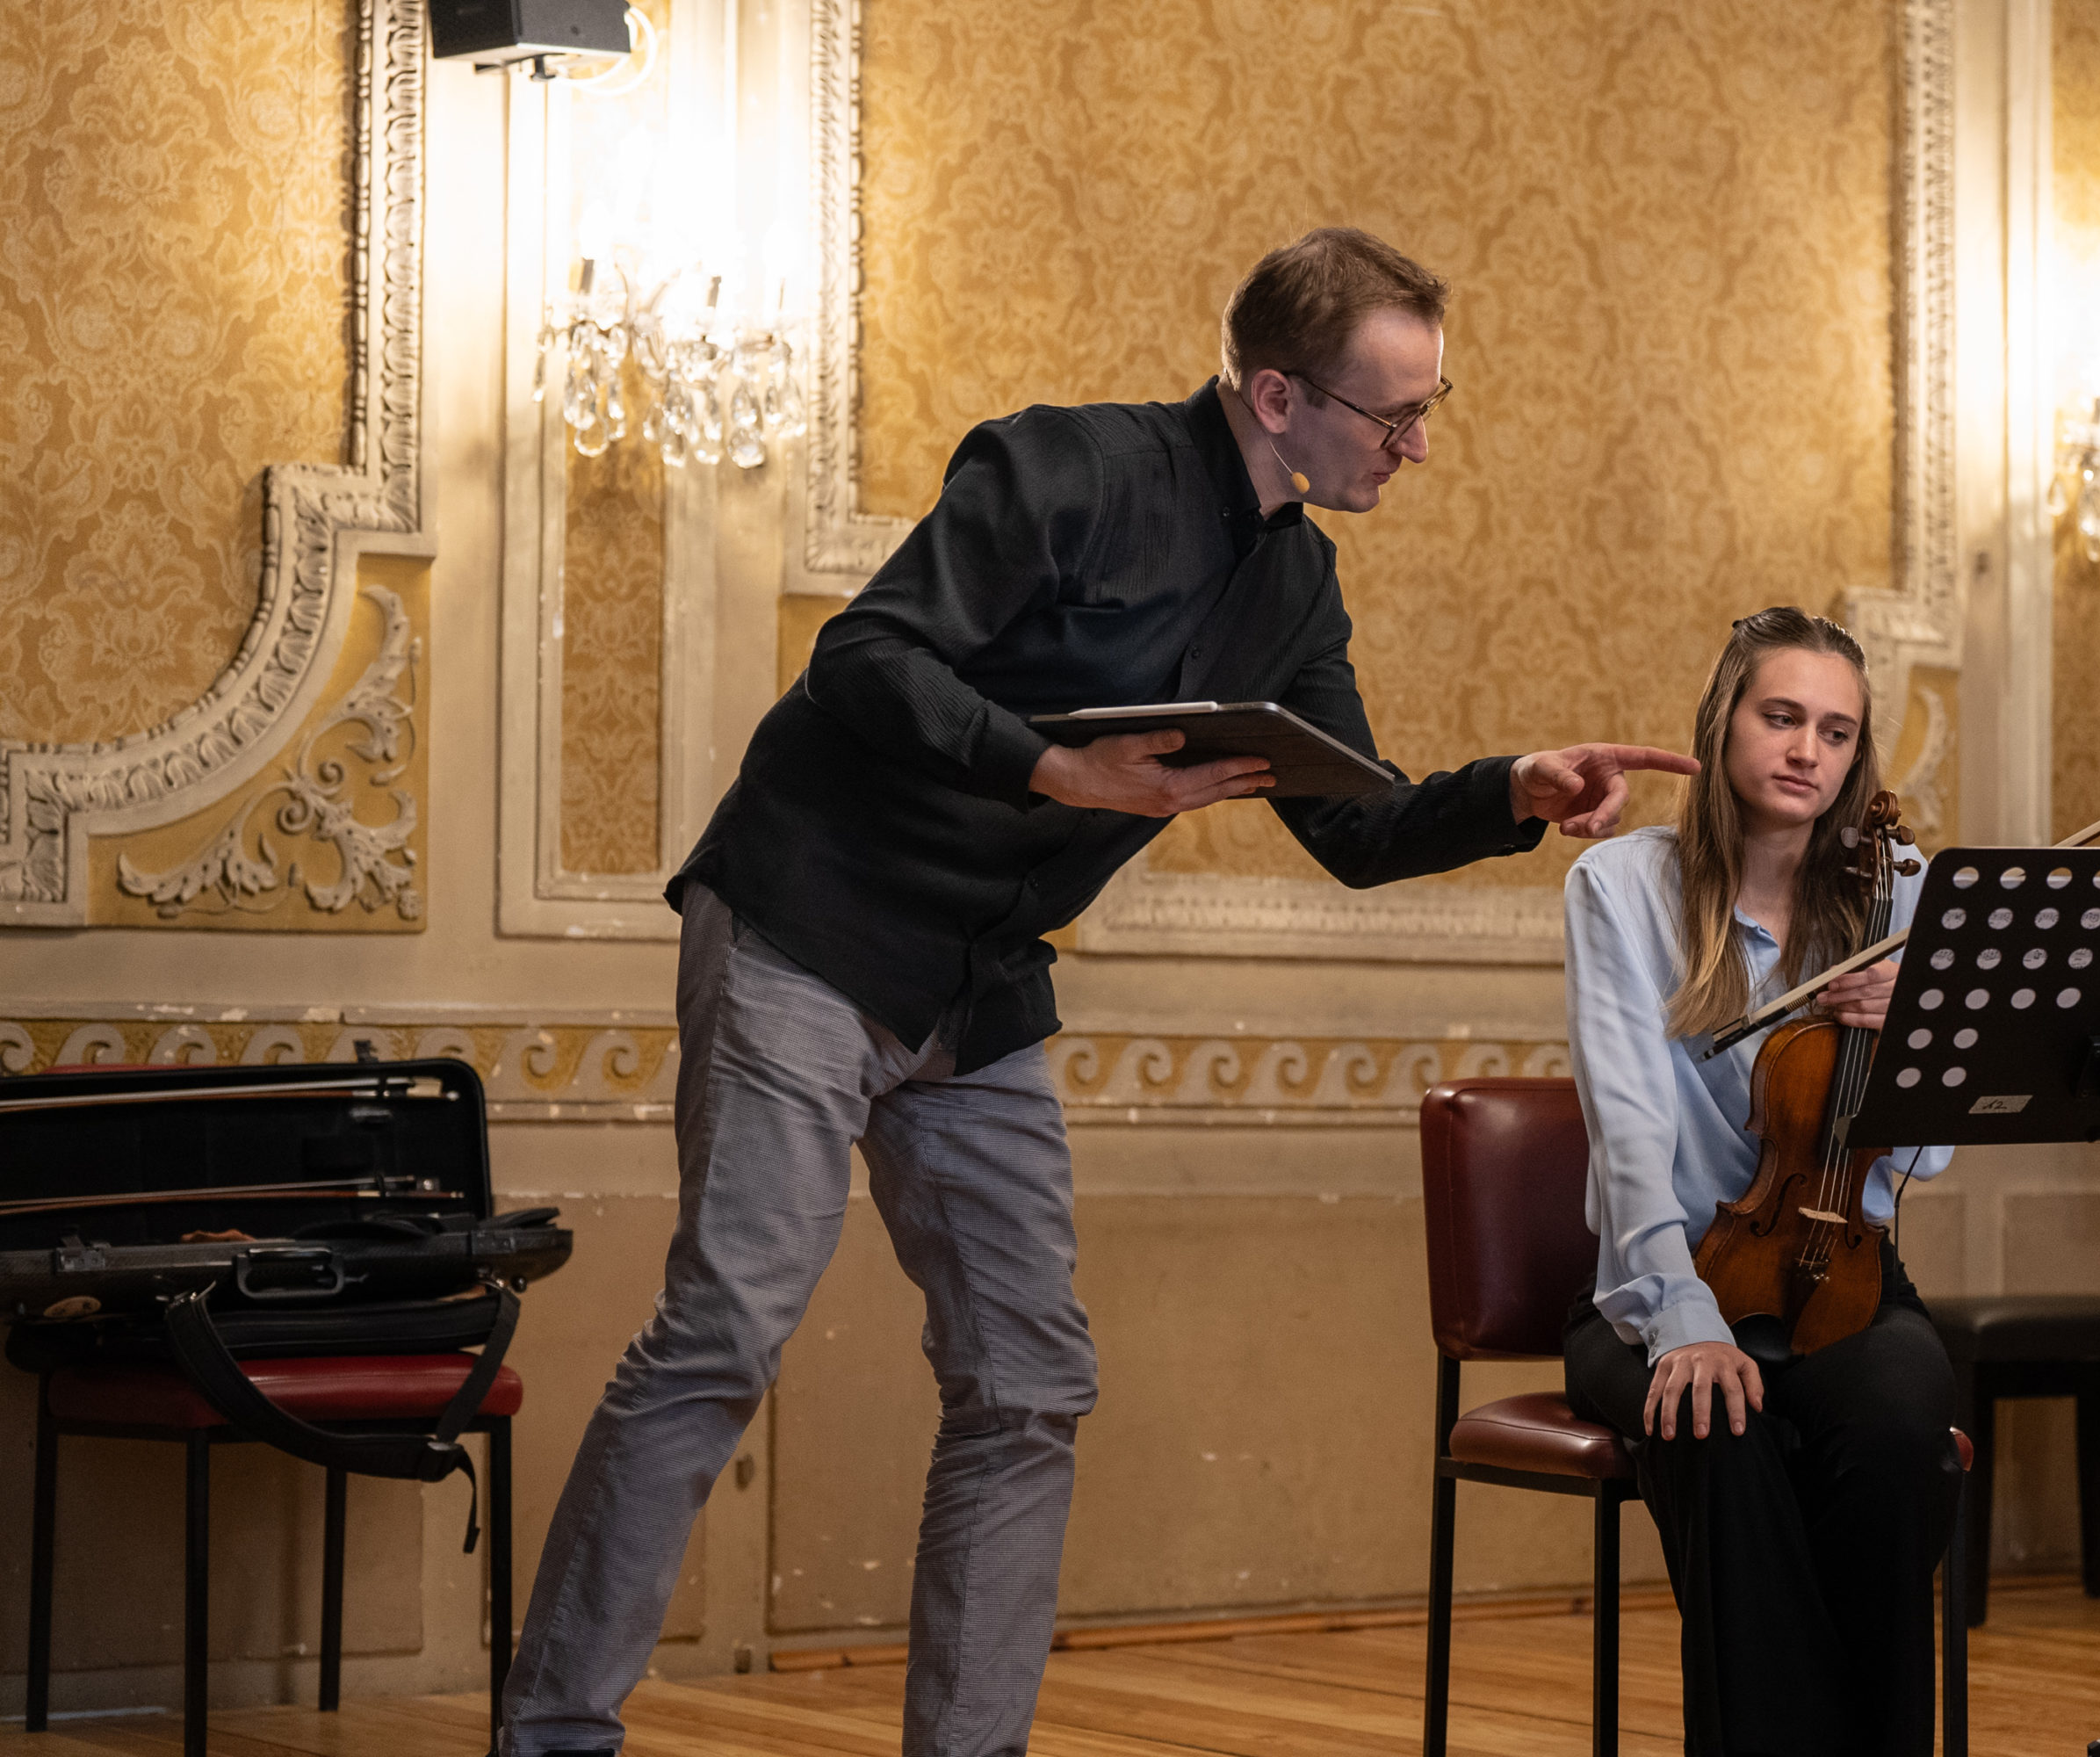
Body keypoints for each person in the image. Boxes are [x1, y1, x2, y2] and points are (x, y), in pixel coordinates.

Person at [495, 228, 1695, 1757]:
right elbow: (866, 658)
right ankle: (554, 1737)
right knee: (725, 1331)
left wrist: (1515, 790)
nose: (1415, 446)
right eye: (1391, 414)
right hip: (813, 923)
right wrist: (1054, 764)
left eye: (1430, 408)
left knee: (1027, 1381)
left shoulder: (1298, 586)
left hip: (982, 988)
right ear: (1276, 395)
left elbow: (1355, 827)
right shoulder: (1060, 468)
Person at [1560, 607, 1958, 1756]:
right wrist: (1685, 1322)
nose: (1808, 753)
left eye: (1837, 732)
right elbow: (1628, 1129)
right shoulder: (1621, 890)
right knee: (1717, 1419)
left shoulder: (1897, 896)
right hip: (1652, 1291)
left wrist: (1908, 1045)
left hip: (1845, 1276)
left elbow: (1922, 1158)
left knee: (1897, 1422)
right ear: (1724, 721)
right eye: (1781, 717)